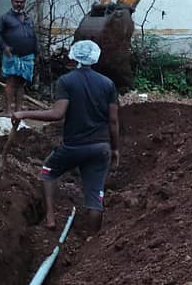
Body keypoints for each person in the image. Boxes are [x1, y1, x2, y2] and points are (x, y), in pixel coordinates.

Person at [12, 40, 120, 234]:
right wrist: (115, 149)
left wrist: (24, 114)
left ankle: (51, 219)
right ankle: (92, 241)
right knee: (95, 196)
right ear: (95, 57)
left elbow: (57, 114)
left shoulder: (67, 81)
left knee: (48, 171)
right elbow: (113, 121)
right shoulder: (108, 84)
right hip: (100, 148)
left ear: (74, 57)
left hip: (74, 146)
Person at [0, 0, 38, 112]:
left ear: (25, 2)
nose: (19, 4)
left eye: (21, 2)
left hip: (27, 56)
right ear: (12, 1)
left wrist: (36, 51)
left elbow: (33, 35)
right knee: (11, 82)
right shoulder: (4, 18)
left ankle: (18, 111)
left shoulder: (29, 19)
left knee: (21, 83)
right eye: (16, 1)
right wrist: (4, 47)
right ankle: (8, 110)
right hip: (12, 55)